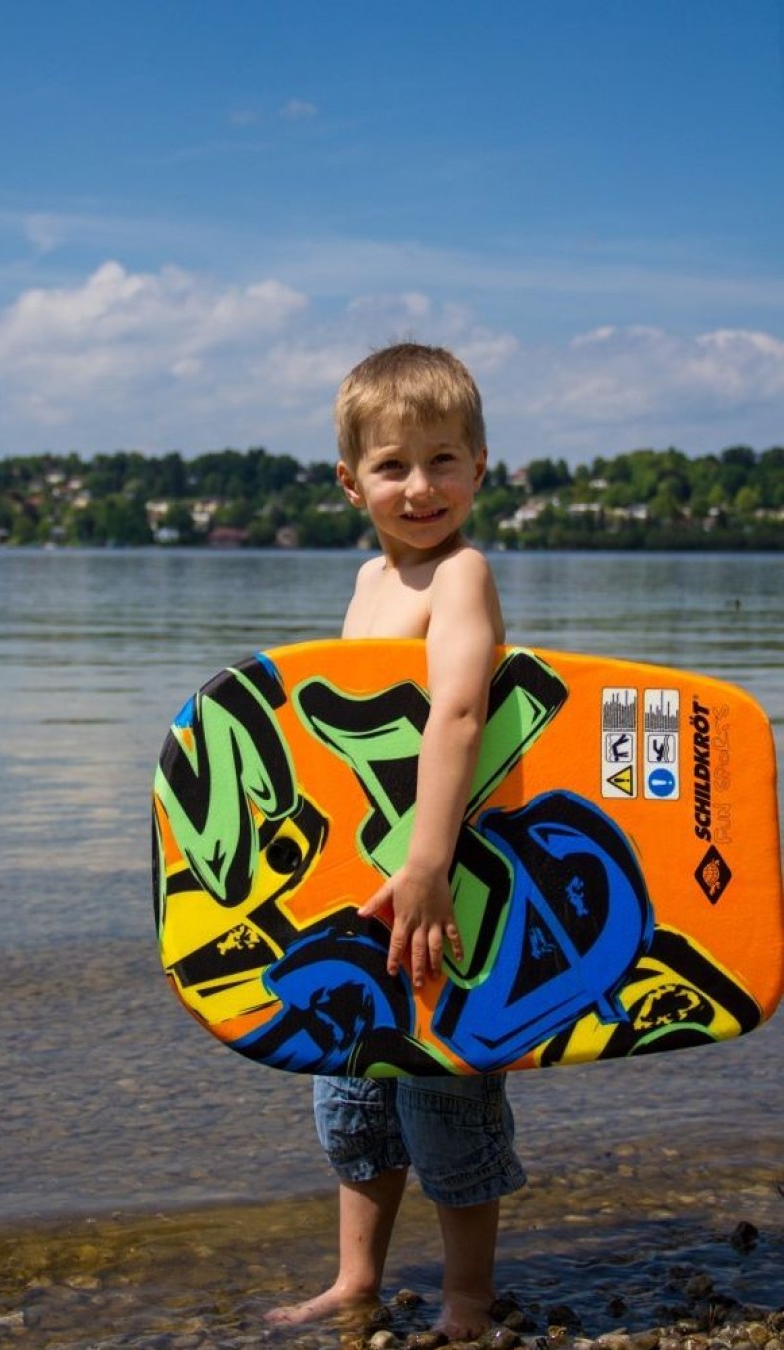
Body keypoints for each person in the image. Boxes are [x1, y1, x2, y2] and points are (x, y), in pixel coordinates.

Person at [267, 343, 526, 1338]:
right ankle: (354, 1279)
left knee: (447, 1100)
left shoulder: (459, 575)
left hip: (446, 885)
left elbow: (457, 714)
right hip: (364, 888)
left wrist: (425, 868)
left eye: (443, 460)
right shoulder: (369, 582)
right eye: (391, 466)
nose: (419, 487)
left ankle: (465, 1303)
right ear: (349, 482)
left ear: (479, 465)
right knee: (352, 1097)